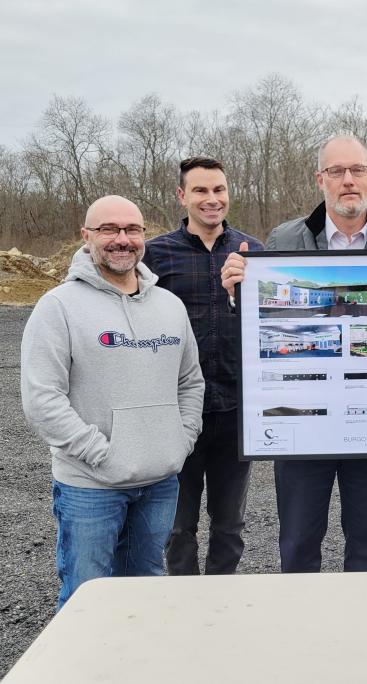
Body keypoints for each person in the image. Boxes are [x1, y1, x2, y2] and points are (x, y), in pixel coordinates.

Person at [221, 135, 367, 572]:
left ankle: (361, 628)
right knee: (298, 538)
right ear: (320, 180)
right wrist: (239, 293)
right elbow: (267, 324)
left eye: (357, 170)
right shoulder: (283, 238)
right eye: (336, 171)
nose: (348, 180)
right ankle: (303, 631)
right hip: (304, 414)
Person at [20, 195, 204, 608]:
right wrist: (99, 452)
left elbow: (190, 381)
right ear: (86, 237)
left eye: (132, 230)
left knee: (145, 591)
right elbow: (42, 398)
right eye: (109, 230)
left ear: (144, 236)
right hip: (90, 486)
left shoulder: (169, 306)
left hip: (159, 483)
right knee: (86, 598)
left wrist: (181, 438)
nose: (122, 239)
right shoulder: (58, 307)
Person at [142, 157, 263, 575]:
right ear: (182, 196)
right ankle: (183, 599)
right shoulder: (155, 255)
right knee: (177, 526)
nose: (212, 200)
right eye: (200, 191)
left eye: (219, 190)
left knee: (230, 524)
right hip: (176, 411)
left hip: (235, 410)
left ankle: (221, 598)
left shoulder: (252, 253)